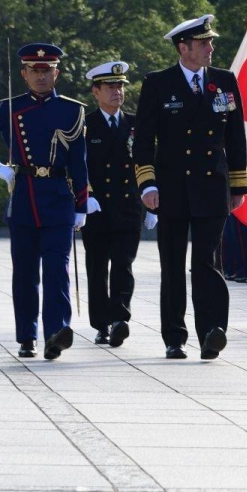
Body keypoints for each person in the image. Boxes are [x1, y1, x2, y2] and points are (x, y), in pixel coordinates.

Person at [0, 43, 89, 360]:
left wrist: (82, 205)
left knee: (58, 270)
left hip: (59, 198)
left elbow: (79, 163)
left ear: (56, 73)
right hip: (24, 198)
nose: (41, 76)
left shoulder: (73, 110)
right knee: (26, 273)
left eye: (47, 70)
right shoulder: (10, 107)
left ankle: (56, 332)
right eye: (35, 70)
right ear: (24, 73)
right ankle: (27, 336)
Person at [134, 15, 247, 360]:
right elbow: (142, 141)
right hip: (171, 188)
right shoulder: (158, 83)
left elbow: (236, 136)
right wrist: (147, 184)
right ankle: (174, 336)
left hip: (213, 187)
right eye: (203, 44)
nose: (211, 49)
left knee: (206, 262)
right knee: (172, 264)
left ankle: (213, 332)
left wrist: (239, 185)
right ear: (184, 48)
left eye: (210, 43)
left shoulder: (224, 82)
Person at [81, 61, 152, 348]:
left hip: (127, 207)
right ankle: (101, 323)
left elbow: (149, 162)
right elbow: (77, 166)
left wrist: (153, 201)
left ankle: (120, 318)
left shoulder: (136, 124)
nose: (117, 92)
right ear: (95, 91)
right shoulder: (85, 125)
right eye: (110, 87)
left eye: (120, 86)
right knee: (97, 268)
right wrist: (84, 197)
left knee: (124, 263)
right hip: (97, 209)